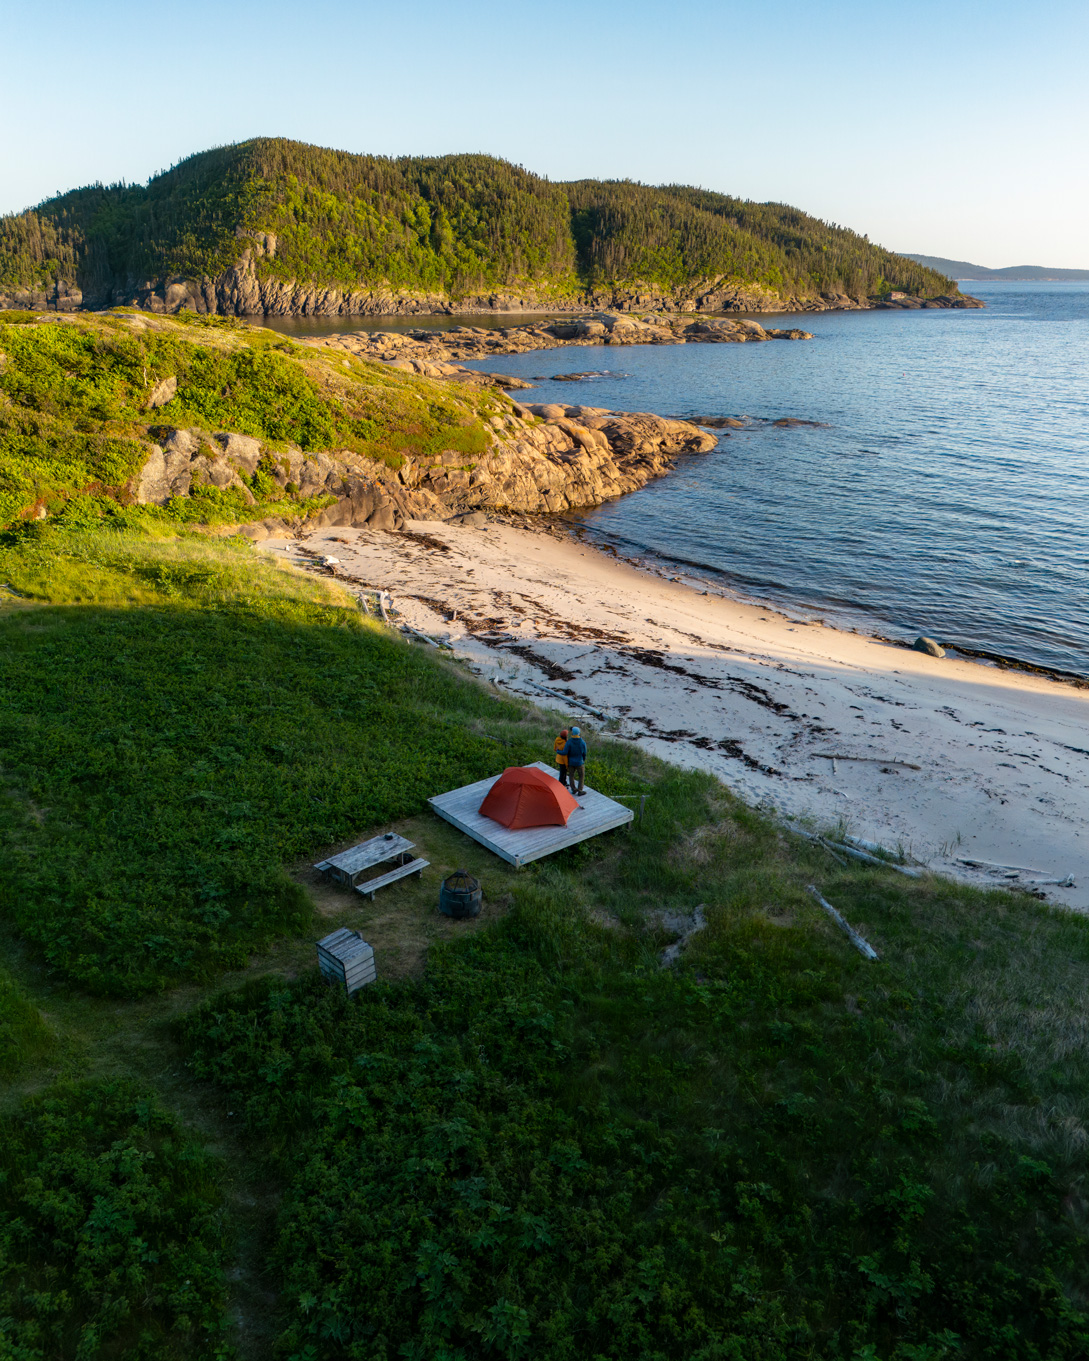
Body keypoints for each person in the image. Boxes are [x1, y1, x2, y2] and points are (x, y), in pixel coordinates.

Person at [563, 726, 587, 795]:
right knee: (581, 776)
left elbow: (565, 752)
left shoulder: (569, 742)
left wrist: (558, 751)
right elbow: (584, 753)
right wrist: (583, 760)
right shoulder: (582, 742)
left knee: (571, 776)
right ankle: (580, 790)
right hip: (579, 762)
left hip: (571, 762)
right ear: (579, 733)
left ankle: (573, 789)